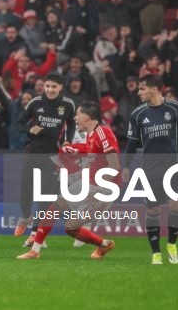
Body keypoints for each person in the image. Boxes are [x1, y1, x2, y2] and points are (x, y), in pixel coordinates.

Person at [17, 101, 118, 260]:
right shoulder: (91, 135)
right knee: (55, 207)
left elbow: (114, 165)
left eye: (77, 114)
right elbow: (92, 156)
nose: (75, 118)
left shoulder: (103, 132)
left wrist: (98, 191)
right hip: (88, 184)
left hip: (103, 189)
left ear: (86, 117)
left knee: (71, 228)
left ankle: (104, 244)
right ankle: (35, 250)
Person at [124, 74, 178, 265]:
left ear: (155, 88)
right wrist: (126, 166)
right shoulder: (138, 114)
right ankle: (156, 253)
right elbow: (131, 143)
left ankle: (171, 244)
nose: (138, 92)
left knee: (175, 206)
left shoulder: (175, 108)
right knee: (153, 210)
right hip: (150, 169)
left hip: (175, 167)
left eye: (142, 88)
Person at [13, 72, 76, 240]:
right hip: (33, 153)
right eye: (47, 86)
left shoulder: (68, 104)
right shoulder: (35, 103)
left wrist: (67, 141)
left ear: (60, 87)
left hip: (53, 156)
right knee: (25, 195)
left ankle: (35, 233)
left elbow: (71, 125)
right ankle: (26, 217)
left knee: (45, 195)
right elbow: (17, 124)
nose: (50, 90)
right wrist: (29, 129)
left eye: (54, 87)